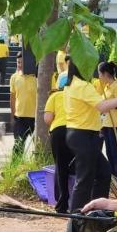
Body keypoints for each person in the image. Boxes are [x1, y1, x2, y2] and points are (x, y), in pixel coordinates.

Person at [61, 57, 117, 209]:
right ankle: (76, 217)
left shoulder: (72, 84)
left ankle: (96, 210)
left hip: (80, 134)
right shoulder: (83, 86)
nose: (93, 71)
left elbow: (92, 107)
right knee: (85, 178)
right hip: (83, 135)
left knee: (104, 172)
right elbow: (103, 106)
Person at [43, 77, 73, 213]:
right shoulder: (76, 95)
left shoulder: (54, 96)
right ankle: (78, 202)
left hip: (58, 132)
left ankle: (62, 204)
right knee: (77, 167)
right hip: (76, 131)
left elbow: (47, 119)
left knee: (61, 168)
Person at [96, 61, 117, 182]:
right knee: (109, 153)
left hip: (116, 124)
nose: (99, 76)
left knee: (116, 153)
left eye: (100, 73)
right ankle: (113, 178)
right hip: (106, 124)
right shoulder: (106, 87)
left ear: (105, 74)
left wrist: (108, 105)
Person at [9, 54, 38, 157]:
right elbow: (12, 98)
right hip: (20, 117)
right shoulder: (14, 77)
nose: (20, 65)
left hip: (36, 118)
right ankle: (15, 167)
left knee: (40, 146)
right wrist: (13, 116)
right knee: (18, 145)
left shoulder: (37, 77)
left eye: (22, 62)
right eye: (18, 62)